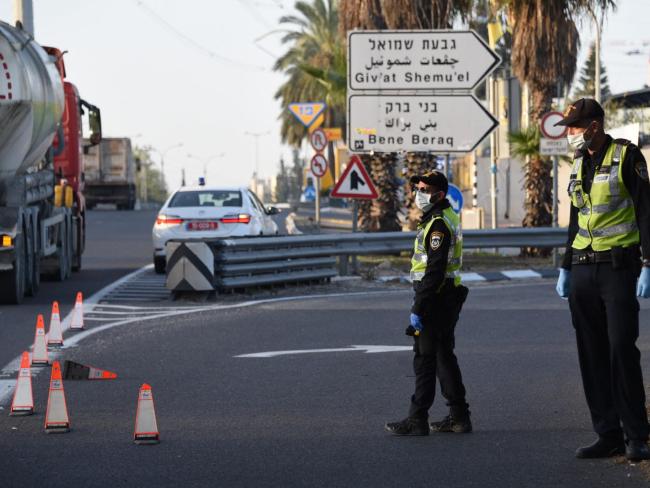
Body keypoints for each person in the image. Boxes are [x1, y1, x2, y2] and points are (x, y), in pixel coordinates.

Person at [555, 98, 650, 462]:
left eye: (576, 128)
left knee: (621, 349)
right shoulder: (578, 163)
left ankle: (636, 435)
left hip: (617, 268)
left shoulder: (627, 156)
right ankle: (607, 433)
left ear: (594, 126)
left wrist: (648, 262)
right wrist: (564, 266)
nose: (572, 135)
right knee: (591, 353)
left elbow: (645, 209)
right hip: (581, 268)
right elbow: (576, 218)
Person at [385, 171, 471, 436]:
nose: (418, 193)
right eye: (417, 188)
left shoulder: (438, 225)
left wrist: (418, 307)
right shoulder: (442, 218)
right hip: (445, 296)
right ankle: (459, 417)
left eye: (424, 189)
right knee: (445, 356)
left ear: (440, 195)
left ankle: (417, 418)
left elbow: (434, 269)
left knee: (424, 359)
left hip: (435, 296)